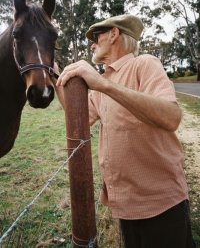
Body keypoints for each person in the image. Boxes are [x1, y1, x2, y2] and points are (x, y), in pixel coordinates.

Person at [56, 14, 195, 248]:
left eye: (97, 36)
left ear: (114, 34)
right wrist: (54, 76)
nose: (92, 43)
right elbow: (78, 117)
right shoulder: (102, 81)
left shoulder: (144, 64)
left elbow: (172, 117)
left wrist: (103, 85)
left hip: (161, 205)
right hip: (125, 206)